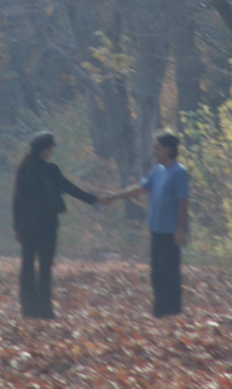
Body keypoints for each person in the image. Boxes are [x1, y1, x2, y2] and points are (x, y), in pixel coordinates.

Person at [11, 132, 100, 320]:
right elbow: (69, 188)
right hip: (47, 225)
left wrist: (16, 226)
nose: (52, 151)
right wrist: (94, 199)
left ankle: (28, 310)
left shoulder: (23, 168)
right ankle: (45, 311)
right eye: (51, 147)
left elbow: (16, 200)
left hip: (27, 225)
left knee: (27, 266)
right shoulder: (50, 170)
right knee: (44, 267)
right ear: (45, 148)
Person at [102, 130, 190, 318]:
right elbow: (140, 188)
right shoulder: (157, 171)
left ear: (168, 149)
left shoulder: (179, 172)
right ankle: (159, 311)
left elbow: (183, 201)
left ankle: (173, 311)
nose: (154, 151)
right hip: (156, 229)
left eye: (157, 148)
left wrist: (180, 228)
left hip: (170, 231)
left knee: (170, 273)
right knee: (157, 274)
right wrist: (115, 196)